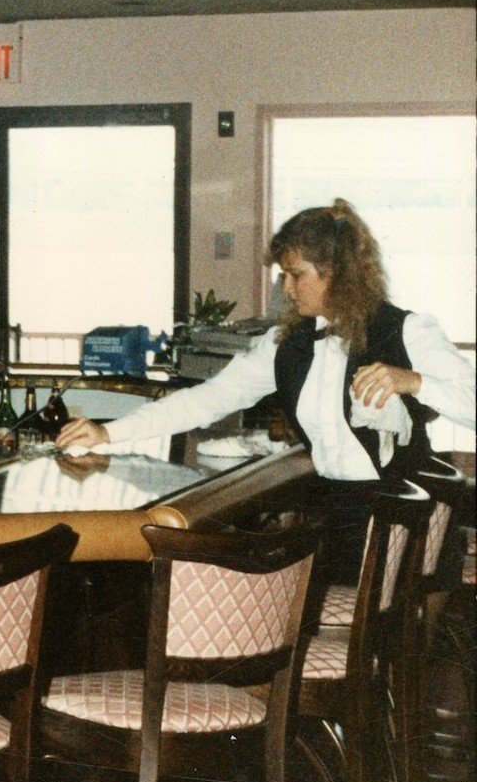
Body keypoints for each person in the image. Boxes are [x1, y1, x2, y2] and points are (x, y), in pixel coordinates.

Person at [56, 198, 476, 583]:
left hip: (400, 525)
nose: (287, 289)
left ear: (338, 274)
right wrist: (109, 433)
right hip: (338, 516)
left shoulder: (407, 330)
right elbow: (209, 398)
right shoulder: (285, 343)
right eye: (284, 276)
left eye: (296, 275)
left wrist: (414, 380)